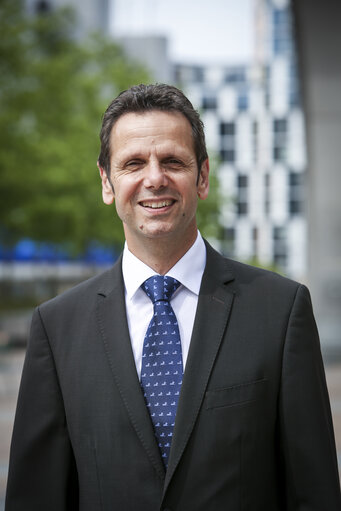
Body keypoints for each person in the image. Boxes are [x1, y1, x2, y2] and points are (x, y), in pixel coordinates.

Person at [5, 83, 341, 511]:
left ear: (201, 177)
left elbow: (314, 494)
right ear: (107, 182)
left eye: (172, 161)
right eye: (132, 163)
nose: (154, 178)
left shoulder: (281, 312)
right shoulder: (56, 328)